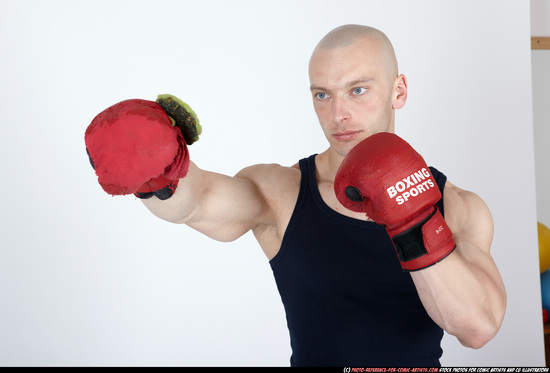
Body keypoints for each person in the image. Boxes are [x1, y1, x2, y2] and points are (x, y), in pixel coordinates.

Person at [86, 24, 507, 367]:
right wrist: (156, 171)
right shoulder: (282, 191)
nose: (337, 114)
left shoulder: (458, 205)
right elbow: (197, 202)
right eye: (322, 94)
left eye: (357, 90)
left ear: (399, 90)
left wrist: (412, 216)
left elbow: (478, 328)